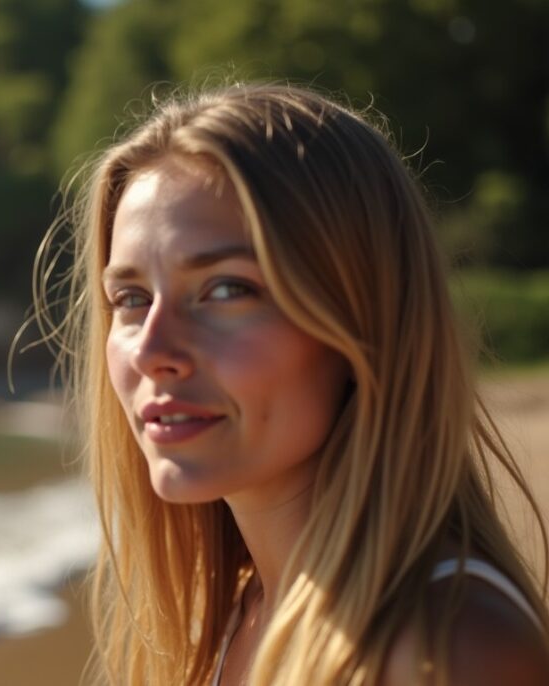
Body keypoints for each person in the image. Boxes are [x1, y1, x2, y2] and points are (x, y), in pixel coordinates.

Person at [33, 83, 549, 685]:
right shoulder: (231, 615)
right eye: (130, 298)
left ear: (363, 320)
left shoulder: (446, 648)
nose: (151, 351)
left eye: (226, 289)